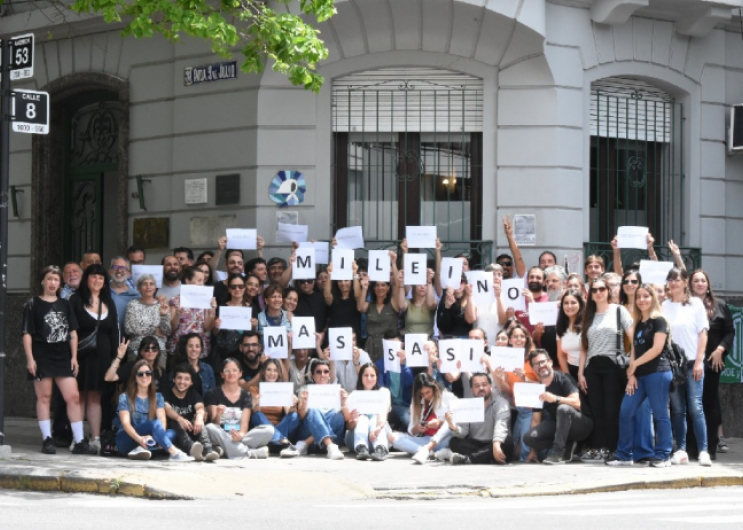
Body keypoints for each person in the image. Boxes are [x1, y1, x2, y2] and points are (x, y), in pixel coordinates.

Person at [22, 265, 96, 455]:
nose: (53, 283)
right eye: (49, 279)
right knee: (44, 397)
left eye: (56, 279)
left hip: (63, 355)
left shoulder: (65, 304)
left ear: (60, 282)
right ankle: (47, 438)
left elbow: (72, 332)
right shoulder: (32, 304)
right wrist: (30, 359)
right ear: (42, 281)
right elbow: (27, 333)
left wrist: (74, 357)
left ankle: (79, 440)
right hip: (41, 355)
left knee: (73, 397)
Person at [606, 284, 673, 467]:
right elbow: (635, 349)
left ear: (653, 298)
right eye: (639, 297)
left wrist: (634, 364)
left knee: (660, 414)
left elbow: (657, 349)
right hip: (639, 376)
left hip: (658, 373)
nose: (642, 300)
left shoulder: (660, 320)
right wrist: (632, 374)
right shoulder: (639, 323)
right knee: (626, 412)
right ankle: (624, 454)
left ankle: (663, 455)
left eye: (646, 296)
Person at [578, 275, 633, 462]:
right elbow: (584, 347)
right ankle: (600, 447)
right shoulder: (588, 315)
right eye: (595, 290)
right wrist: (580, 373)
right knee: (596, 410)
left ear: (608, 291)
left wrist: (632, 365)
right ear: (590, 294)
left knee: (612, 409)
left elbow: (634, 339)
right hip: (592, 367)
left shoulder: (619, 311)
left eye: (602, 289)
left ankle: (614, 448)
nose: (599, 292)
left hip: (613, 367)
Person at [662, 267, 711, 466]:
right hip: (673, 364)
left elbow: (703, 334)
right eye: (671, 279)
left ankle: (703, 450)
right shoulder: (664, 305)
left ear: (685, 283)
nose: (674, 283)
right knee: (678, 409)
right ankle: (680, 449)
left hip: (693, 363)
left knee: (695, 406)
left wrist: (699, 361)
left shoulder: (696, 304)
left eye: (678, 279)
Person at [70, 263, 120, 452]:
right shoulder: (75, 300)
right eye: (93, 276)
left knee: (96, 398)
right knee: (79, 396)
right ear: (86, 279)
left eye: (101, 277)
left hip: (103, 358)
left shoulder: (109, 302)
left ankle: (96, 438)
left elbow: (114, 332)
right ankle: (78, 438)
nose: (97, 280)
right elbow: (71, 330)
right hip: (81, 356)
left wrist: (116, 359)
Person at [690, 269, 735, 460]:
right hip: (690, 362)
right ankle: (691, 447)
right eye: (696, 281)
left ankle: (710, 447)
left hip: (711, 363)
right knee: (691, 404)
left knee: (710, 403)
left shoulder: (720, 306)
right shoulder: (686, 305)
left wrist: (720, 350)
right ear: (691, 285)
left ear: (708, 284)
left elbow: (730, 332)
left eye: (703, 280)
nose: (700, 284)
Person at [524, 349, 593, 465]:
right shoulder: (537, 389)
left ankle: (558, 453)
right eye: (536, 364)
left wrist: (555, 399)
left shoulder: (563, 378)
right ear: (532, 368)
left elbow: (577, 403)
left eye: (542, 362)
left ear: (550, 362)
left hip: (581, 424)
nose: (540, 366)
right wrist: (533, 450)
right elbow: (536, 420)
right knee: (529, 438)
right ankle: (567, 443)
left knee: (563, 409)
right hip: (558, 424)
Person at [115, 359, 192, 461]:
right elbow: (126, 424)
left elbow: (162, 421)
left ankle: (141, 449)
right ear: (135, 377)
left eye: (148, 373)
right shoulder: (125, 397)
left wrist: (157, 438)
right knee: (154, 424)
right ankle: (174, 452)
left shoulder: (158, 397)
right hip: (127, 440)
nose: (144, 376)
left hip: (149, 440)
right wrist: (140, 439)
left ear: (152, 376)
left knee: (172, 433)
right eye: (140, 374)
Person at [204, 358, 274, 459]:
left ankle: (231, 450)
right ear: (222, 374)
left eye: (234, 370)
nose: (231, 373)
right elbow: (215, 424)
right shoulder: (213, 393)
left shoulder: (246, 395)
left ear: (240, 373)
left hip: (239, 436)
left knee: (269, 430)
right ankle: (250, 453)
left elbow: (244, 424)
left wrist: (240, 435)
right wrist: (219, 414)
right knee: (209, 428)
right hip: (222, 434)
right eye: (227, 371)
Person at [442, 372, 513, 465]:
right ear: (471, 390)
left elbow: (501, 425)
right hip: (476, 444)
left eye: (484, 385)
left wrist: (496, 444)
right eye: (477, 386)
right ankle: (487, 457)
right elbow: (463, 432)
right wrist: (452, 425)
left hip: (496, 442)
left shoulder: (501, 402)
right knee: (454, 442)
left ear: (490, 386)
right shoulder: (468, 405)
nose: (481, 388)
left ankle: (470, 459)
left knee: (508, 442)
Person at [391, 372, 455, 464]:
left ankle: (426, 450)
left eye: (428, 392)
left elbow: (457, 421)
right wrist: (417, 428)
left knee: (448, 423)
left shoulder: (446, 396)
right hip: (425, 440)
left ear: (433, 387)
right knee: (393, 437)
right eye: (422, 394)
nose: (425, 396)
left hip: (444, 440)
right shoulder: (416, 402)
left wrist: (439, 423)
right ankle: (430, 453)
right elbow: (411, 431)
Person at [164, 363, 220, 461]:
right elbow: (167, 409)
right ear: (174, 379)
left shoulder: (193, 394)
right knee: (175, 422)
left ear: (191, 383)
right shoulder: (166, 393)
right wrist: (180, 419)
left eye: (186, 379)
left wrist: (199, 418)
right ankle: (192, 448)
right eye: (179, 378)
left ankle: (208, 450)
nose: (182, 382)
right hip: (176, 436)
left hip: (191, 432)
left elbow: (200, 408)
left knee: (198, 420)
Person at [248, 359, 301, 457]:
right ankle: (284, 442)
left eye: (275, 370)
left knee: (294, 416)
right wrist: (256, 403)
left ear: (279, 374)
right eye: (269, 370)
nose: (272, 373)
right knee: (257, 415)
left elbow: (288, 412)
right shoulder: (255, 389)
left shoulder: (282, 389)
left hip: (280, 428)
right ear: (263, 372)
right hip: (263, 430)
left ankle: (275, 443)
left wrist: (294, 405)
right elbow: (254, 412)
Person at [295, 359, 347, 459]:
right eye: (318, 372)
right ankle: (330, 446)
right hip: (311, 438)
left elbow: (346, 419)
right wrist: (303, 405)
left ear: (330, 374)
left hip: (330, 440)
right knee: (314, 410)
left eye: (326, 371)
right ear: (313, 375)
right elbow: (301, 417)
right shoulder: (305, 390)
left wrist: (344, 403)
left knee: (338, 415)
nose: (322, 374)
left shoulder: (337, 391)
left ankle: (307, 443)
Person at [212, 273, 260, 371]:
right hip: (223, 352)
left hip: (243, 353)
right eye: (233, 287)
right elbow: (215, 334)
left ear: (244, 288)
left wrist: (254, 326)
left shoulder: (251, 307)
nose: (237, 289)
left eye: (240, 286)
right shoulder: (222, 307)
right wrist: (216, 327)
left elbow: (252, 333)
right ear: (229, 289)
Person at [358, 252, 401, 363]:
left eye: (383, 285)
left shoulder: (393, 303)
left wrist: (393, 263)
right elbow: (360, 308)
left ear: (388, 287)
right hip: (370, 347)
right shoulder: (370, 305)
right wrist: (364, 288)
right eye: (377, 285)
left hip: (388, 347)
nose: (379, 288)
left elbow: (397, 284)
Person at [167, 266, 217, 362]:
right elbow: (171, 329)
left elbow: (207, 327)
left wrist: (213, 309)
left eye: (203, 281)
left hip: (199, 350)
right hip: (179, 348)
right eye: (199, 280)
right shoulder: (176, 300)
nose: (202, 284)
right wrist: (177, 315)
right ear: (188, 280)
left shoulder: (207, 300)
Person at [344, 363, 392, 461]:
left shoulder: (383, 392)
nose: (369, 378)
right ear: (361, 377)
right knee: (362, 418)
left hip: (379, 435)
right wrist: (354, 420)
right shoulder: (354, 396)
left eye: (372, 375)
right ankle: (361, 449)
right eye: (366, 375)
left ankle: (380, 449)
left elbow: (383, 412)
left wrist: (377, 428)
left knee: (375, 418)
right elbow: (348, 426)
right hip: (357, 438)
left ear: (377, 377)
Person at [124, 274, 172, 362]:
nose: (148, 287)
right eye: (145, 284)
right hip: (137, 349)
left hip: (158, 350)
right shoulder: (132, 305)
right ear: (139, 288)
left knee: (158, 375)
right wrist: (154, 330)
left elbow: (166, 331)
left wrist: (163, 315)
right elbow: (129, 329)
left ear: (155, 288)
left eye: (151, 284)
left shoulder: (162, 305)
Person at [324, 262, 363, 338]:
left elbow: (358, 295)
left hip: (352, 338)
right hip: (335, 337)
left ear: (351, 281)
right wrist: (329, 275)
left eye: (346, 280)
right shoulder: (334, 298)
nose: (343, 283)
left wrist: (355, 274)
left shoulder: (356, 298)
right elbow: (326, 295)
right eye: (340, 281)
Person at [555, 290, 585, 378]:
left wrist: (581, 374)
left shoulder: (586, 325)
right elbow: (561, 355)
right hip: (570, 370)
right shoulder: (560, 327)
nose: (569, 306)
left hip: (588, 370)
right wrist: (568, 377)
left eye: (573, 302)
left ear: (580, 304)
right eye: (566, 303)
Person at [109, 257, 140, 333]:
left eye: (123, 268)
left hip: (128, 340)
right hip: (106, 339)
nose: (119, 270)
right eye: (115, 267)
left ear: (129, 274)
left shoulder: (136, 296)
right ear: (110, 271)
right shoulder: (101, 292)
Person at [498, 215, 527, 279]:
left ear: (513, 267)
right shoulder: (491, 283)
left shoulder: (519, 279)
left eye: (508, 264)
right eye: (501, 264)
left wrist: (509, 235)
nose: (504, 266)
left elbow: (518, 258)